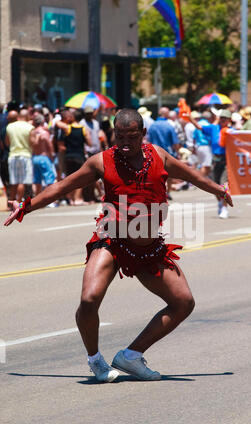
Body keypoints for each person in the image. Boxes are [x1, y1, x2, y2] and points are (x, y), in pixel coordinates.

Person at [4, 108, 233, 383]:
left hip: (148, 249)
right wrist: (26, 206)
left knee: (183, 303)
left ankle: (132, 356)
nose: (125, 142)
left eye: (132, 137)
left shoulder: (159, 156)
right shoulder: (101, 161)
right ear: (113, 133)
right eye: (119, 136)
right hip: (111, 241)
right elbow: (62, 186)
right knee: (89, 300)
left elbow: (193, 175)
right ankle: (96, 361)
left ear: (143, 135)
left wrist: (219, 190)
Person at [189, 109, 232, 219]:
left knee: (223, 184)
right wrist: (190, 118)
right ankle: (220, 202)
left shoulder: (231, 131)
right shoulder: (213, 128)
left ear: (229, 120)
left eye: (225, 118)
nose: (223, 120)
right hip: (215, 160)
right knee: (214, 186)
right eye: (221, 117)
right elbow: (199, 127)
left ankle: (224, 208)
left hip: (226, 161)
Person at [56, 108, 92, 205]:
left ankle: (71, 199)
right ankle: (77, 199)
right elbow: (90, 143)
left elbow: (57, 124)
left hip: (69, 156)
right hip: (79, 156)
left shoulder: (67, 128)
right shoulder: (83, 128)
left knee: (69, 178)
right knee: (80, 179)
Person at [147, 107, 180, 199]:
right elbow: (175, 142)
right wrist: (177, 152)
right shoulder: (169, 125)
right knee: (169, 175)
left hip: (154, 152)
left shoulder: (152, 126)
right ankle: (167, 192)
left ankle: (158, 192)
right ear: (166, 114)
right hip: (168, 153)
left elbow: (149, 139)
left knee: (156, 174)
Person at [5, 110, 35, 202]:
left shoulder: (9, 127)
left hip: (13, 155)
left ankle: (11, 201)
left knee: (13, 181)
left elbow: (7, 142)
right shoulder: (29, 127)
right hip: (25, 155)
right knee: (22, 181)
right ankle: (18, 202)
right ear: (27, 117)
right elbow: (32, 142)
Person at [31, 113, 56, 198]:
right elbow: (49, 145)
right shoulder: (44, 132)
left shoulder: (33, 132)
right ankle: (51, 199)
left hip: (35, 157)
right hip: (44, 157)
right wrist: (52, 155)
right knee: (49, 179)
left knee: (37, 180)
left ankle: (37, 199)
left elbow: (32, 144)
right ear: (43, 121)